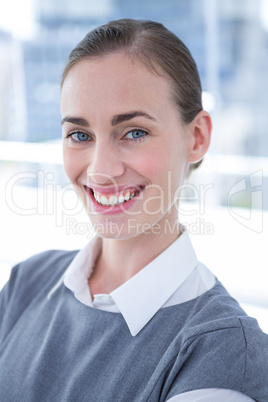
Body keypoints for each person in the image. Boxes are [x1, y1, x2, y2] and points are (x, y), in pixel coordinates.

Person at [0, 18, 267, 402]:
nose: (100, 170)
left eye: (134, 132)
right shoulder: (28, 283)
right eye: (80, 135)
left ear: (197, 138)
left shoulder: (221, 353)